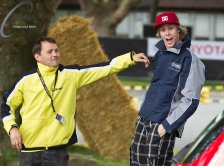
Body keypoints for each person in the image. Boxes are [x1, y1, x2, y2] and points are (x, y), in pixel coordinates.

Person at [0, 36, 150, 166]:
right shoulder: (25, 80)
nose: (55, 54)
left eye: (56, 50)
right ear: (37, 56)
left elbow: (105, 68)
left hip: (57, 152)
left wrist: (129, 59)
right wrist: (12, 129)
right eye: (50, 51)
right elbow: (6, 105)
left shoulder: (70, 75)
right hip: (29, 152)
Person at [130, 12, 206, 166]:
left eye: (170, 28)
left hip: (161, 125)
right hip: (143, 119)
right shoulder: (160, 54)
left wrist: (166, 126)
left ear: (178, 30)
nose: (167, 33)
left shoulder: (190, 59)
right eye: (163, 30)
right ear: (159, 33)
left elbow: (191, 100)